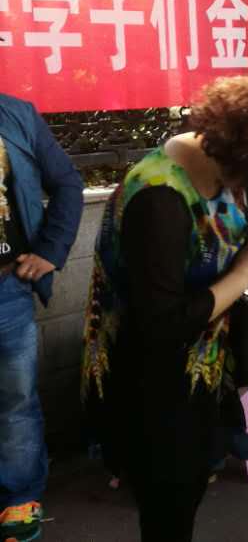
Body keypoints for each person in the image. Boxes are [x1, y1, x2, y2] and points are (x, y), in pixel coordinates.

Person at [80, 77, 248, 541]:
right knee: (168, 511)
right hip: (150, 388)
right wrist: (245, 274)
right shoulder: (159, 198)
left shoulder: (214, 168)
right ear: (245, 153)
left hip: (197, 376)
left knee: (190, 489)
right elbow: (160, 325)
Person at [0, 94, 83, 542]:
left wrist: (51, 250)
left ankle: (19, 496)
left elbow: (67, 183)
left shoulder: (15, 114)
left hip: (6, 291)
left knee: (15, 401)